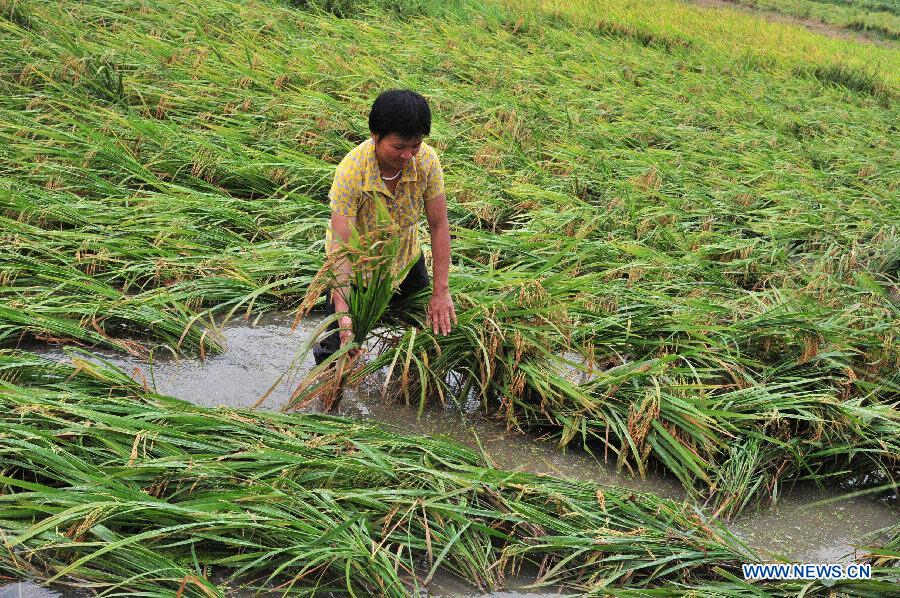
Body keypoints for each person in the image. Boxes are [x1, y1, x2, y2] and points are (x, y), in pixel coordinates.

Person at [312, 89, 456, 366]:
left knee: (427, 335)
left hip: (405, 261)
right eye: (399, 147)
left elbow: (439, 225)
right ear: (375, 136)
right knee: (338, 350)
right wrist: (344, 316)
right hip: (357, 269)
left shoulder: (426, 161)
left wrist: (441, 291)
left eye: (414, 145)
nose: (408, 155)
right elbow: (341, 250)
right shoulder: (351, 172)